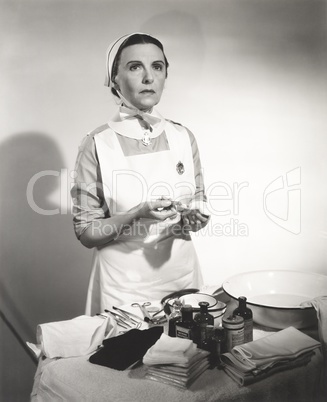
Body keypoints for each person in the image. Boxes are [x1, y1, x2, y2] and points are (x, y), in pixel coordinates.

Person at [71, 33, 210, 315]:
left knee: (189, 356)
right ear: (114, 79)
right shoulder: (97, 144)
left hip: (181, 278)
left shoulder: (183, 137)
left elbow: (197, 204)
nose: (149, 77)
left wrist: (195, 218)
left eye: (157, 67)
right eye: (135, 67)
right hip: (122, 287)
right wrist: (136, 213)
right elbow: (87, 233)